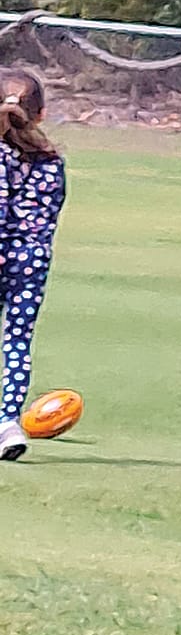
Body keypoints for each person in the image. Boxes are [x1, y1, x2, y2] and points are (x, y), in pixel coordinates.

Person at [0, 70, 66, 463]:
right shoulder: (52, 162)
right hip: (31, 261)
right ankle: (8, 421)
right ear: (40, 114)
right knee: (18, 340)